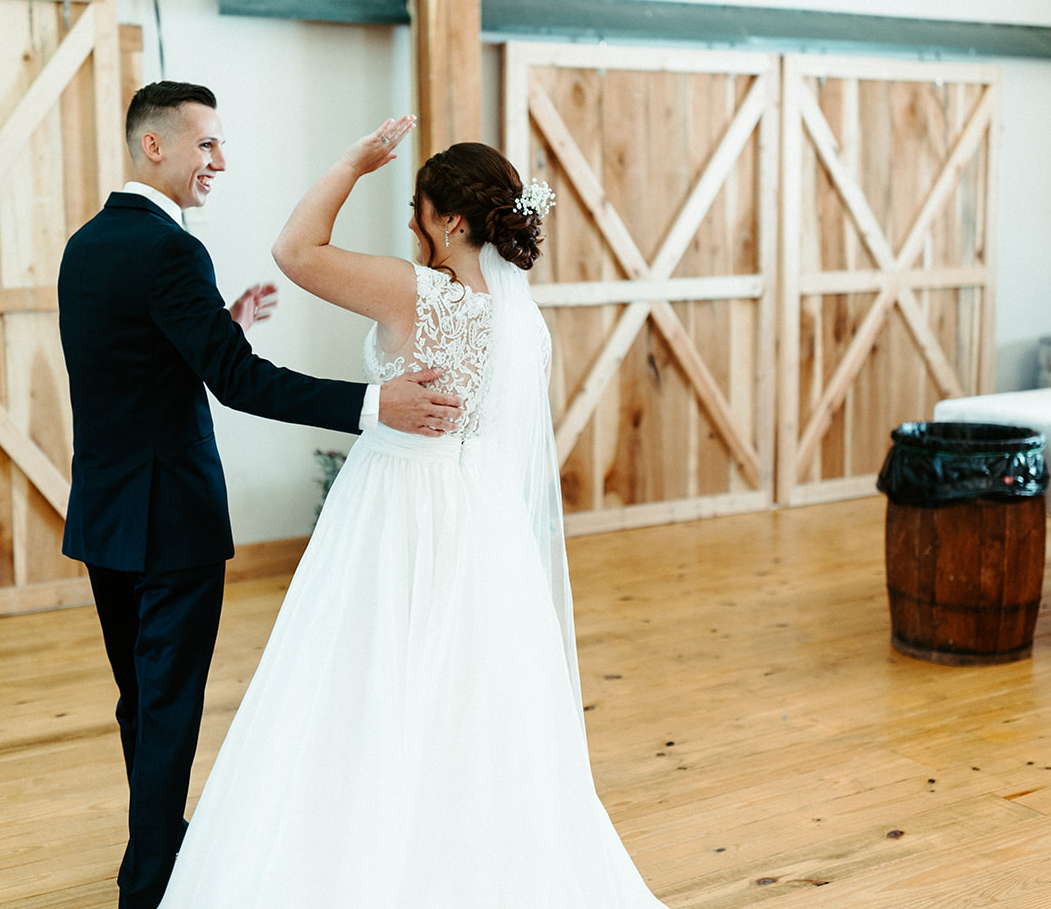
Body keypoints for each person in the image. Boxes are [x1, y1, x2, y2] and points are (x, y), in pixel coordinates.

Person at [155, 117, 669, 906]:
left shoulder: (419, 291)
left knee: (363, 680)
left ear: (452, 221)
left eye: (417, 208)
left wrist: (352, 160)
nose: (409, 221)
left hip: (397, 504)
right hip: (481, 517)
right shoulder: (520, 317)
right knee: (471, 696)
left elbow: (295, 251)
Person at [57, 82, 463, 909]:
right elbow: (235, 382)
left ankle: (157, 848)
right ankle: (151, 886)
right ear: (154, 146)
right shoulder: (173, 251)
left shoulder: (86, 244)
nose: (221, 161)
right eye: (206, 144)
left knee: (142, 700)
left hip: (104, 512)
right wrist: (373, 402)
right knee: (170, 702)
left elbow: (133, 359)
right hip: (173, 518)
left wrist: (223, 319)